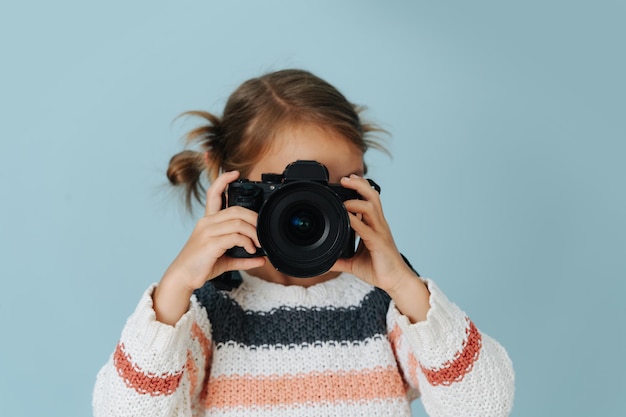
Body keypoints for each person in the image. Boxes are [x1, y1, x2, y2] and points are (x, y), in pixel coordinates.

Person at [93, 69, 515, 416]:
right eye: (287, 191)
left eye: (335, 191)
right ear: (228, 182)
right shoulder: (209, 309)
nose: (311, 212)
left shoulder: (383, 305)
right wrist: (175, 290)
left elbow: (484, 405)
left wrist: (406, 287)